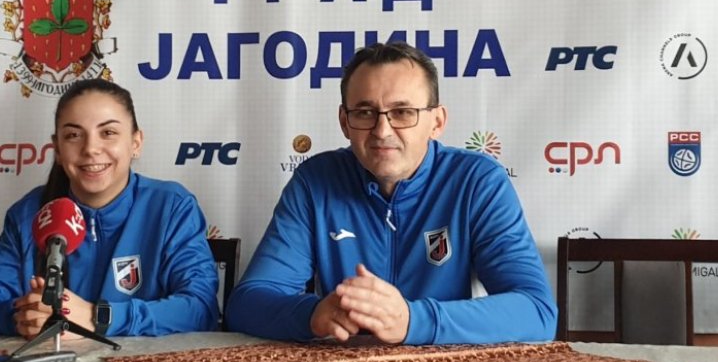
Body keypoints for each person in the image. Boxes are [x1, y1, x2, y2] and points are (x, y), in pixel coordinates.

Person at [226, 41, 556, 345]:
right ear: (344, 121)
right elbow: (246, 303)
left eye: (402, 112)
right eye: (364, 112)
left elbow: (537, 311)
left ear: (437, 122)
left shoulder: (477, 180)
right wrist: (312, 315)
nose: (382, 131)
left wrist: (413, 321)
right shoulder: (315, 181)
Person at [0, 79, 219, 337]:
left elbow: (200, 308)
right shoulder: (28, 213)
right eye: (73, 135)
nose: (90, 148)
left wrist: (98, 317)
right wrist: (27, 316)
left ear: (135, 143)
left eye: (108, 133)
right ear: (57, 149)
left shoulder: (171, 206)